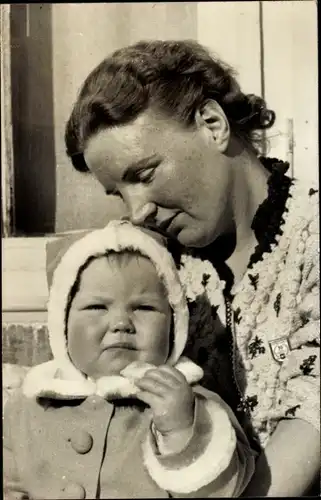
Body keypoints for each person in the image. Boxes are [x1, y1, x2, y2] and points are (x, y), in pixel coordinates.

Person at [63, 40, 320, 496]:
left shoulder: (313, 237)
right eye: (118, 193)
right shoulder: (151, 264)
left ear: (212, 124)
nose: (137, 211)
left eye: (143, 175)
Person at [3, 220, 255, 499]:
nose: (121, 323)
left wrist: (182, 431)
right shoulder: (28, 405)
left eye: (144, 307)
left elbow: (227, 489)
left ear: (175, 324)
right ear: (61, 323)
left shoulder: (193, 404)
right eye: (97, 306)